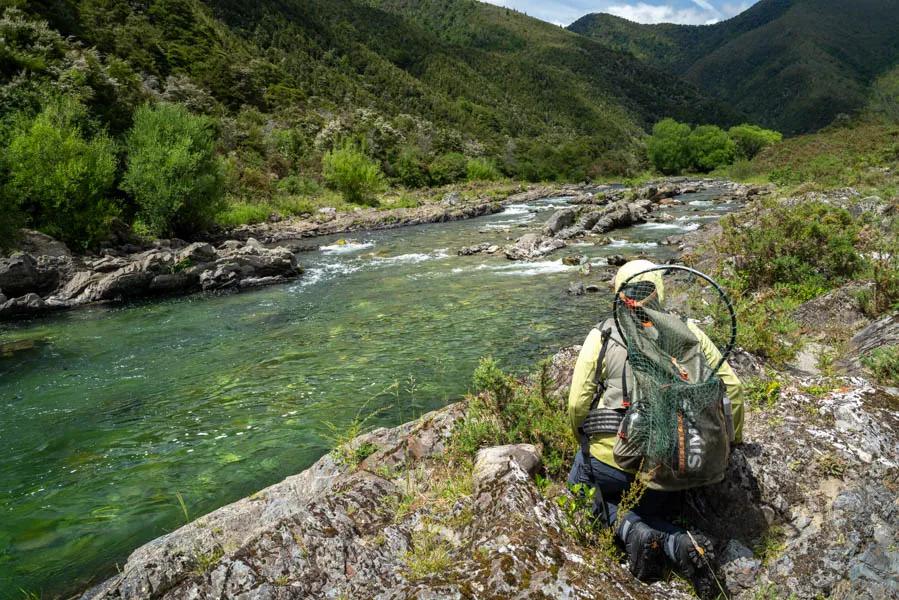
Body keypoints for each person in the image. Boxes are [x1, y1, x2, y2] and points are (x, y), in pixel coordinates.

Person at [567, 259, 744, 598]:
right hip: (673, 469)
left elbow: (577, 404)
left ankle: (635, 531)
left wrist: (583, 441)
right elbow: (732, 388)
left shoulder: (603, 333)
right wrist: (731, 441)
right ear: (659, 291)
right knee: (653, 505)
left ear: (620, 292)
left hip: (614, 464)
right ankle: (677, 542)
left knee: (581, 492)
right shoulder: (689, 331)